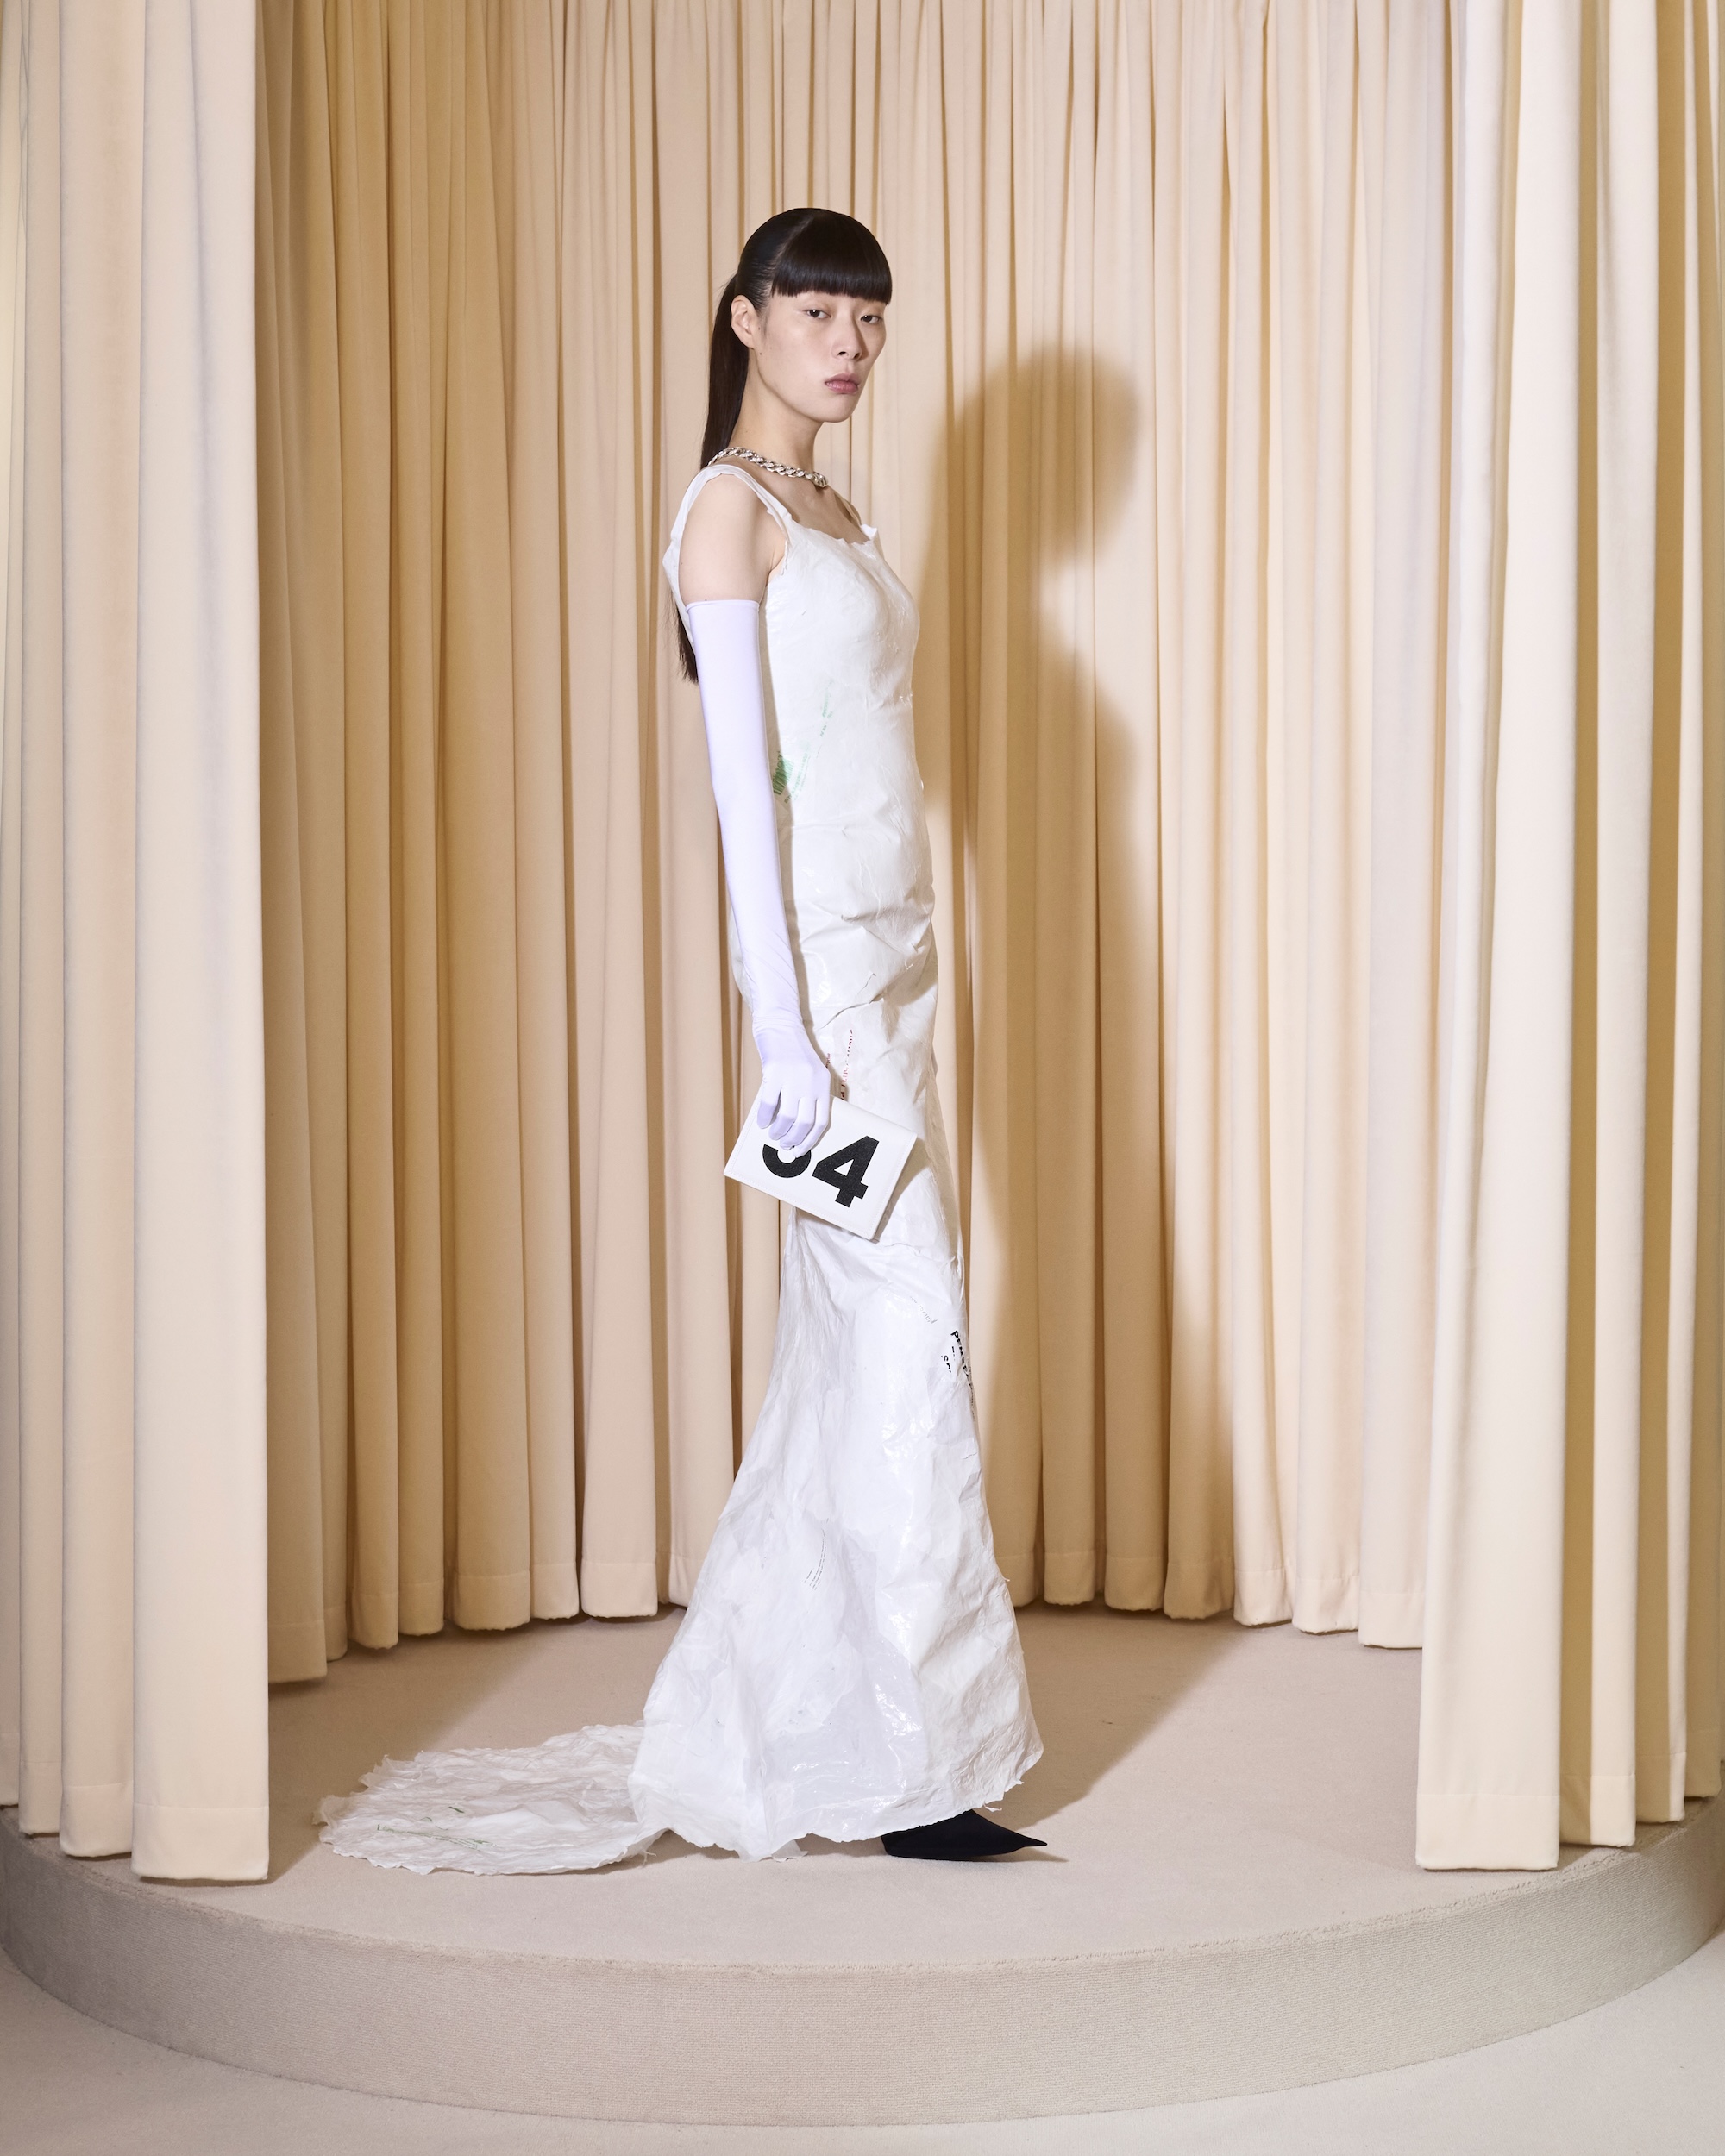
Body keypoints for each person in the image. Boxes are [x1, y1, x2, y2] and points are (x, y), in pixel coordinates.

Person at [317, 208, 1042, 1875]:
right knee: (909, 1345)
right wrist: (783, 1030)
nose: (849, 343)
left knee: (849, 1368)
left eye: (869, 316)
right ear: (744, 319)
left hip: (901, 970)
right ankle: (921, 1774)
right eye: (816, 310)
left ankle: (843, 1730)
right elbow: (742, 800)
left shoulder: (836, 509)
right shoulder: (727, 512)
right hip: (827, 1002)